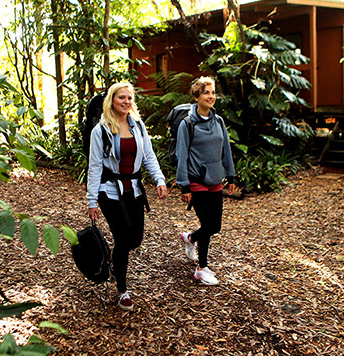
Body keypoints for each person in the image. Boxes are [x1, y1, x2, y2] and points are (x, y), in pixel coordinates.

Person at [86, 82, 168, 310]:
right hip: (109, 192)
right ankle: (122, 289)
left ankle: (114, 256)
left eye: (129, 98)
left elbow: (149, 156)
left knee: (135, 239)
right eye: (121, 97)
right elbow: (94, 166)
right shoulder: (100, 131)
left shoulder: (138, 126)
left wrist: (159, 179)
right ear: (112, 100)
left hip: (134, 189)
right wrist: (91, 200)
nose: (126, 102)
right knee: (123, 239)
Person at [175, 76, 235, 285]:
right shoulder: (188, 124)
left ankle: (190, 238)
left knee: (215, 226)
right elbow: (181, 156)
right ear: (196, 95)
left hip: (216, 178)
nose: (211, 96)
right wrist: (184, 185)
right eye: (206, 92)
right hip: (196, 179)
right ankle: (201, 268)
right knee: (208, 224)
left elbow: (225, 149)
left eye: (213, 92)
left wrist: (231, 174)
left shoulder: (218, 121)